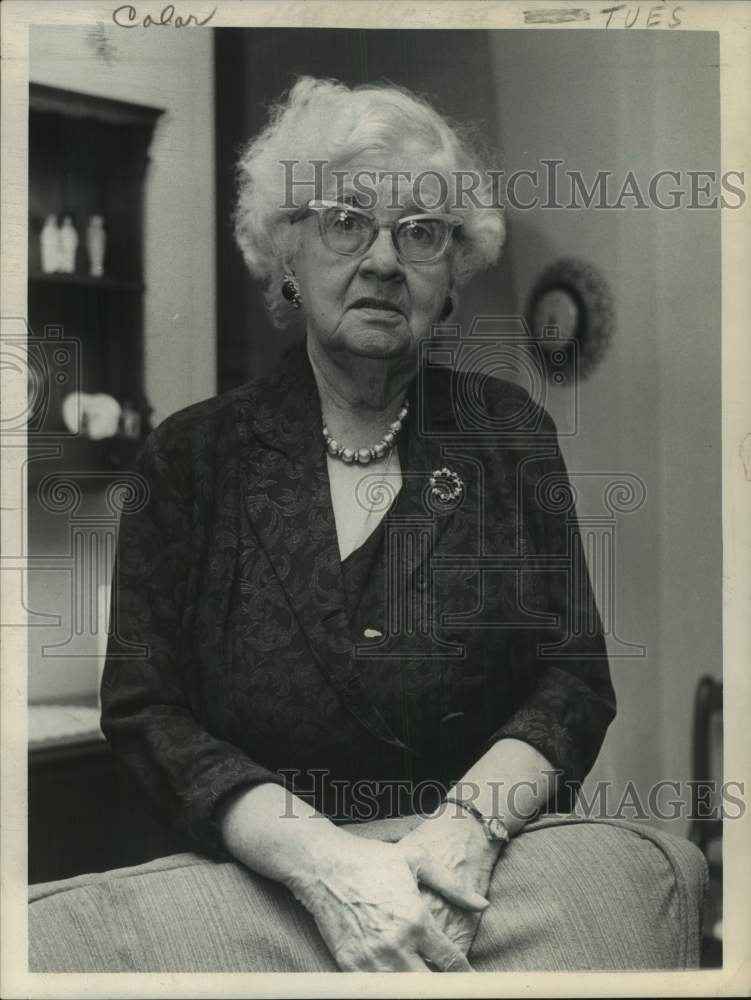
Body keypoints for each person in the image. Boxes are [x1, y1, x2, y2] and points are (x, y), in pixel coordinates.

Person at [101, 76, 619, 972]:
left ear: (449, 276)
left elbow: (572, 680)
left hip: (473, 894)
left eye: (419, 232)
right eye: (346, 219)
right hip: (270, 906)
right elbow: (148, 713)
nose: (383, 258)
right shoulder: (189, 461)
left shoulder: (508, 435)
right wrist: (325, 863)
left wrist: (463, 832)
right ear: (285, 254)